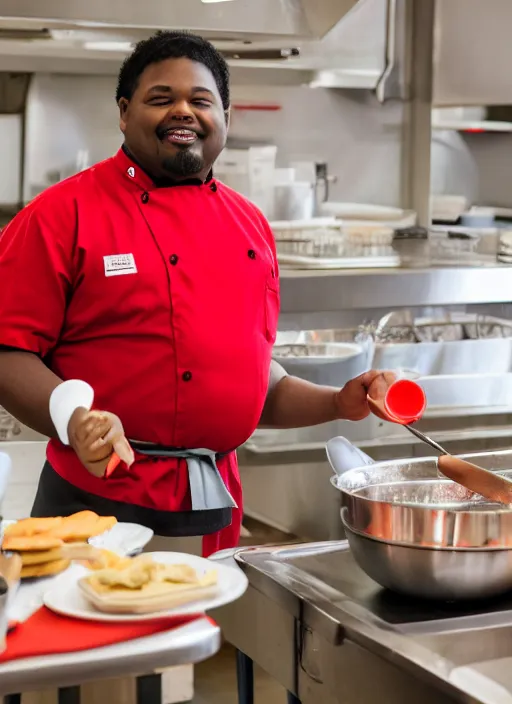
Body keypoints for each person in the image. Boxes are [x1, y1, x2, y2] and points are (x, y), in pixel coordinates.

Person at [0, 31, 395, 557]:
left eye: (201, 101)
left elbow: (256, 379)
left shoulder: (249, 226)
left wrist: (337, 402)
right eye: (161, 99)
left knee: (201, 639)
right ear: (124, 112)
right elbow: (7, 351)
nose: (182, 111)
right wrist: (74, 421)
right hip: (93, 504)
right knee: (92, 637)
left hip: (214, 505)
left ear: (225, 117)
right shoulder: (60, 215)